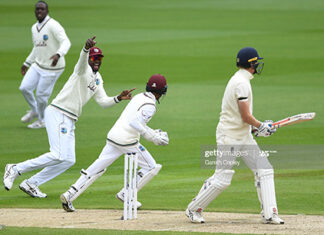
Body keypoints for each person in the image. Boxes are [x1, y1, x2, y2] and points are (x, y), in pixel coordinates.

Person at [3, 36, 135, 198]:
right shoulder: (82, 70)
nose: (97, 61)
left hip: (70, 119)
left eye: (99, 58)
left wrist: (118, 98)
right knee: (58, 154)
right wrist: (86, 49)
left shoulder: (98, 79)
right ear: (89, 59)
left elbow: (102, 101)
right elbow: (81, 61)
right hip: (58, 112)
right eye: (94, 58)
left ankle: (32, 183)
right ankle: (15, 169)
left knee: (68, 160)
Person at [185, 47, 284, 225]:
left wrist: (255, 129)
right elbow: (245, 116)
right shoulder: (241, 83)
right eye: (256, 62)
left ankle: (269, 213)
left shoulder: (242, 80)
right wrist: (261, 126)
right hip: (229, 137)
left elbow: (242, 118)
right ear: (251, 64)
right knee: (222, 178)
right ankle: (193, 209)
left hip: (243, 135)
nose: (258, 65)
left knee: (265, 169)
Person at [59, 74, 169, 212]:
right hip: (127, 141)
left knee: (97, 167)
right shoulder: (151, 105)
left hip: (114, 136)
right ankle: (126, 194)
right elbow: (135, 122)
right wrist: (153, 137)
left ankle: (70, 194)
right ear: (163, 91)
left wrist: (153, 132)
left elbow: (136, 120)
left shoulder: (140, 96)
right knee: (152, 167)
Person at [19, 1, 71, 129]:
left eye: (42, 9)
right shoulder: (34, 28)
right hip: (38, 65)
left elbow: (66, 42)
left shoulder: (53, 25)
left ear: (47, 11)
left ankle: (42, 120)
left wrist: (58, 54)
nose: (39, 11)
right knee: (24, 88)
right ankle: (35, 110)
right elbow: (37, 48)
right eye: (37, 9)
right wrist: (27, 62)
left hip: (53, 68)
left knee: (41, 96)